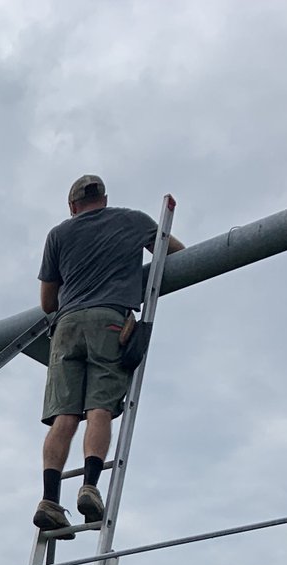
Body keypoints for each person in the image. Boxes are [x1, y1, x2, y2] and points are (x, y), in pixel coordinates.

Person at [33, 175, 184, 535]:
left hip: (66, 327)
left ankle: (49, 500)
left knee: (65, 417)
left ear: (72, 207)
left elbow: (47, 303)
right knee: (99, 408)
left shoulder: (58, 235)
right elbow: (179, 255)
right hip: (110, 322)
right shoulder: (133, 220)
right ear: (104, 198)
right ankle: (89, 486)